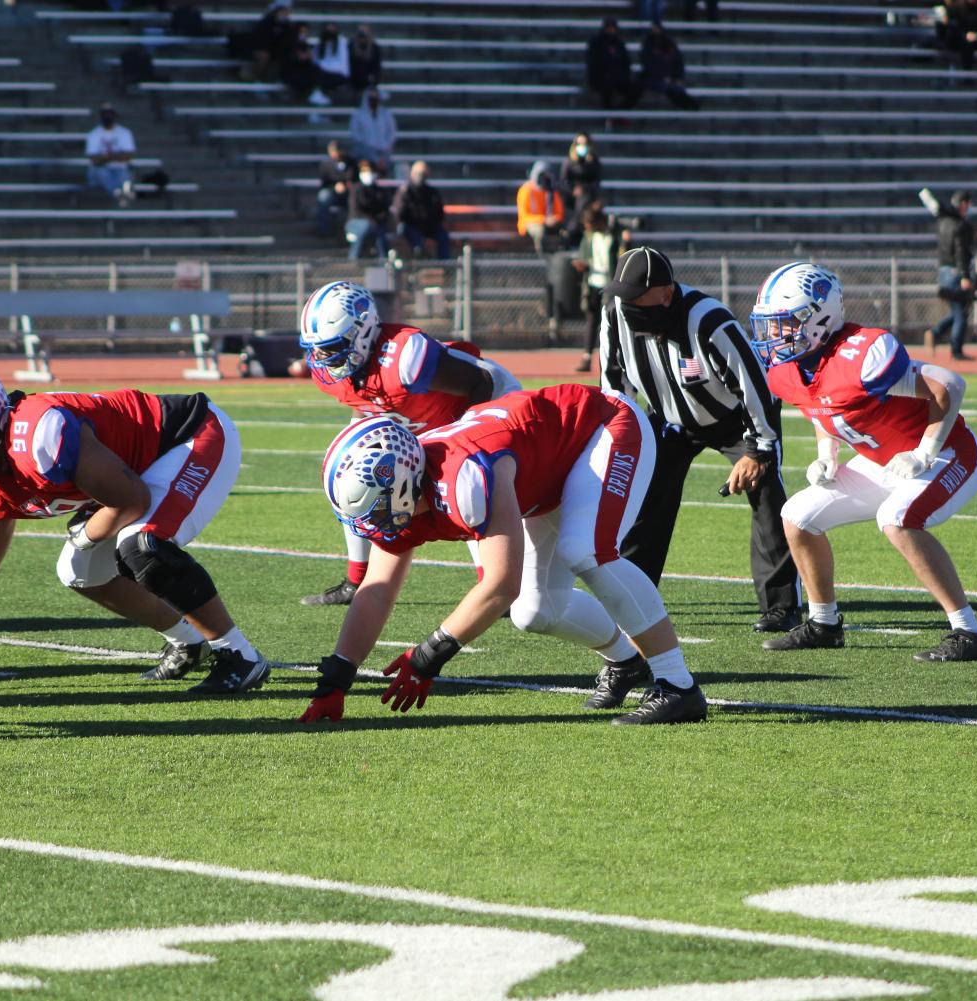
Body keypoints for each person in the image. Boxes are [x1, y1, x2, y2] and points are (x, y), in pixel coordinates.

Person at [300, 385, 709, 726]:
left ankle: (678, 686)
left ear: (403, 482)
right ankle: (626, 662)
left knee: (586, 552)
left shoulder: (463, 478)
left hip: (602, 427)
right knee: (536, 611)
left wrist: (428, 656)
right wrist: (338, 677)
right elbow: (376, 588)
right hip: (542, 474)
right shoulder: (407, 487)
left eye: (375, 509)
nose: (372, 524)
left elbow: (500, 584)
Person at [0, 364, 268, 695]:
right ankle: (188, 642)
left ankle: (240, 655)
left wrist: (86, 533)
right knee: (78, 569)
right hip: (132, 474)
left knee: (143, 546)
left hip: (191, 437)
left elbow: (132, 501)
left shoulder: (37, 435)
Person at [750, 263, 977, 663]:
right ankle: (824, 624)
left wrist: (925, 451)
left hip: (950, 453)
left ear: (820, 318)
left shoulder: (862, 355)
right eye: (770, 326)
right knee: (797, 515)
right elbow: (820, 409)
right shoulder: (786, 371)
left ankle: (970, 633)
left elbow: (949, 385)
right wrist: (827, 455)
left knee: (896, 518)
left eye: (784, 324)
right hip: (883, 459)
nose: (774, 337)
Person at [598, 246, 799, 649]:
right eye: (624, 295)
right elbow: (614, 384)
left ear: (666, 293)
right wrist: (618, 440)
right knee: (644, 501)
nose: (629, 304)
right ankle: (633, 595)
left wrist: (758, 451)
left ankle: (781, 606)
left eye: (638, 296)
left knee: (766, 497)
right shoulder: (614, 311)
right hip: (668, 420)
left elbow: (755, 384)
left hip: (732, 422)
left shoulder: (708, 321)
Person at [295, 280, 519, 606]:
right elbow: (366, 398)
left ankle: (494, 587)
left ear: (364, 330)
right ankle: (357, 580)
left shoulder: (404, 357)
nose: (323, 359)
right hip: (412, 414)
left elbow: (479, 381)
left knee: (470, 488)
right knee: (352, 476)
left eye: (332, 347)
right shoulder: (334, 373)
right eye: (318, 348)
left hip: (483, 402)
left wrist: (466, 436)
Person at [929, 190, 977, 361]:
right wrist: (965, 276)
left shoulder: (942, 222)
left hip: (944, 268)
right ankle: (956, 350)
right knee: (960, 312)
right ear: (964, 204)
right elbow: (961, 252)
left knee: (956, 309)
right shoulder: (961, 225)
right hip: (956, 270)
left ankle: (935, 332)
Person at [571, 206, 620, 373]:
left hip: (609, 285)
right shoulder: (588, 238)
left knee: (610, 322)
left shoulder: (612, 236)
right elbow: (586, 258)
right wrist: (583, 265)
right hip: (592, 283)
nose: (587, 228)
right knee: (592, 321)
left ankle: (611, 358)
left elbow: (619, 257)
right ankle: (587, 357)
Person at [392, 160, 451, 260]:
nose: (420, 177)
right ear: (412, 174)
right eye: (418, 174)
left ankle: (444, 264)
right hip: (411, 225)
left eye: (423, 174)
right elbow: (400, 213)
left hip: (429, 226)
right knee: (409, 234)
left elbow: (439, 212)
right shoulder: (405, 191)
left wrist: (430, 221)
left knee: (443, 236)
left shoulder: (432, 192)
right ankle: (421, 261)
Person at [85, 103, 136, 207]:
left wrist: (106, 157)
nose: (108, 117)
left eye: (110, 114)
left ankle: (122, 199)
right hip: (100, 170)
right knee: (103, 174)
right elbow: (95, 161)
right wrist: (116, 156)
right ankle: (119, 196)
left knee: (125, 177)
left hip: (120, 168)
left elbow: (128, 156)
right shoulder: (94, 134)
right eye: (105, 114)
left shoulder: (124, 133)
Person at [585, 18, 640, 111]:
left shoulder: (619, 43)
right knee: (607, 89)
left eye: (613, 28)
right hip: (601, 78)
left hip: (618, 78)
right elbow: (593, 63)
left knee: (636, 89)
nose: (611, 31)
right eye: (609, 28)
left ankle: (619, 113)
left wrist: (623, 76)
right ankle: (608, 115)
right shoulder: (596, 42)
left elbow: (626, 62)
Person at [639, 24, 696, 110]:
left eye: (658, 30)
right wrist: (663, 77)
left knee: (677, 87)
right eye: (654, 30)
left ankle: (690, 105)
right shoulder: (648, 47)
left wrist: (676, 77)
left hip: (670, 78)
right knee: (670, 88)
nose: (656, 32)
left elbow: (678, 63)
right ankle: (690, 105)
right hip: (653, 79)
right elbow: (648, 66)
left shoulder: (670, 45)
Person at [345, 159, 391, 260]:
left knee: (380, 233)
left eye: (370, 171)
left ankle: (384, 262)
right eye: (365, 171)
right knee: (366, 226)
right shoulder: (356, 189)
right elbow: (356, 211)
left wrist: (376, 220)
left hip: (377, 224)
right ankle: (354, 258)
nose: (368, 174)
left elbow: (385, 211)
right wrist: (371, 220)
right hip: (356, 222)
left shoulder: (380, 192)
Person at [516, 161, 565, 254]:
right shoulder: (526, 190)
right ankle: (542, 256)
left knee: (566, 230)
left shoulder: (551, 190)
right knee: (540, 231)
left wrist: (554, 219)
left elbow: (559, 212)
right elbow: (524, 216)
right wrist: (544, 220)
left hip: (549, 221)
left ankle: (560, 257)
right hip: (531, 222)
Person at [348, 87, 396, 172]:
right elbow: (355, 133)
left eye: (376, 98)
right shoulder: (358, 114)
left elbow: (391, 131)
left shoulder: (386, 114)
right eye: (372, 99)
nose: (374, 101)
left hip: (383, 151)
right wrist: (368, 145)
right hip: (364, 153)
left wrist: (386, 145)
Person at [316, 140, 356, 237]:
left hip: (348, 192)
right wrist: (335, 187)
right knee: (323, 197)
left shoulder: (351, 162)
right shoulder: (326, 164)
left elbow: (354, 179)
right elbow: (324, 183)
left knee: (355, 198)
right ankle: (324, 230)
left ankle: (352, 230)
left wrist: (346, 186)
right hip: (332, 192)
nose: (335, 154)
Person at [561, 132, 602, 212]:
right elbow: (564, 181)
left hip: (588, 197)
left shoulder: (594, 162)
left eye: (584, 143)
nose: (582, 146)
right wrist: (573, 190)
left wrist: (584, 189)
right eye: (579, 143)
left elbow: (596, 182)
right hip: (571, 198)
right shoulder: (569, 162)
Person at [315, 22, 351, 96]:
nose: (330, 32)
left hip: (338, 74)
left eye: (332, 30)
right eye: (328, 30)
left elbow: (343, 64)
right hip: (323, 74)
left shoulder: (341, 42)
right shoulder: (321, 44)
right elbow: (317, 61)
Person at [348, 25, 382, 90]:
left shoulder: (374, 48)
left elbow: (376, 66)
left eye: (365, 34)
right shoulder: (350, 47)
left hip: (369, 79)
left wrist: (372, 77)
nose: (363, 37)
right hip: (353, 79)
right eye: (361, 34)